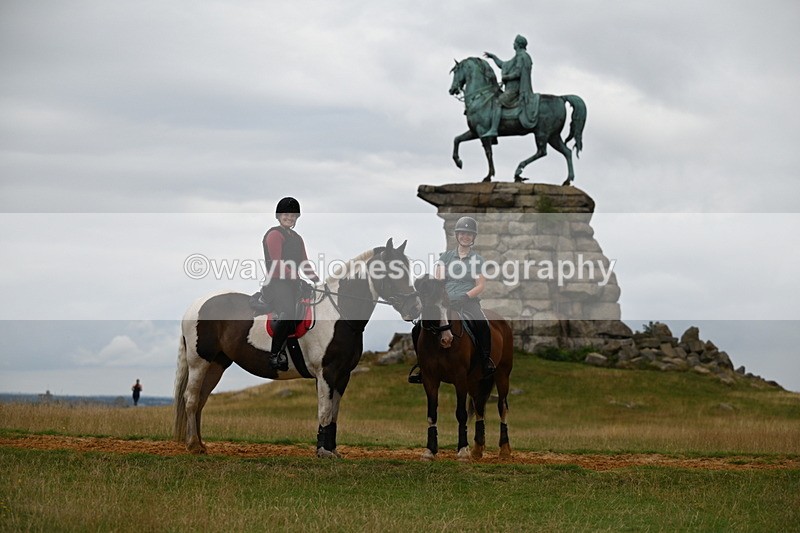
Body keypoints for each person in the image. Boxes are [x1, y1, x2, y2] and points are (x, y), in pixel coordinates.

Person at [409, 216, 495, 383]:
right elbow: (439, 279)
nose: (465, 237)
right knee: (418, 327)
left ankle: (485, 362)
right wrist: (441, 294)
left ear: (473, 237)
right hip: (444, 302)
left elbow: (480, 285)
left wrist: (465, 296)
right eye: (462, 233)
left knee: (483, 324)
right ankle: (422, 366)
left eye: (469, 234)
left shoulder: (478, 260)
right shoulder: (445, 258)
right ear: (457, 235)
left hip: (468, 301)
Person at [261, 197, 320, 371]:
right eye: (286, 214)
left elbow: (304, 262)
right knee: (288, 312)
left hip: (294, 283)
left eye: (293, 215)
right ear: (279, 216)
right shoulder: (274, 235)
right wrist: (294, 276)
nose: (290, 218)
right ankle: (275, 354)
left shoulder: (297, 238)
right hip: (277, 283)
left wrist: (316, 279)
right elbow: (277, 263)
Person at [483, 34, 538, 139]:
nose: (513, 44)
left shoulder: (522, 56)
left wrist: (506, 77)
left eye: (514, 42)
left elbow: (517, 73)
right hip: (510, 89)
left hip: (515, 90)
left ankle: (494, 129)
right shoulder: (518, 56)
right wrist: (493, 57)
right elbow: (503, 64)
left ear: (517, 44)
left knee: (497, 102)